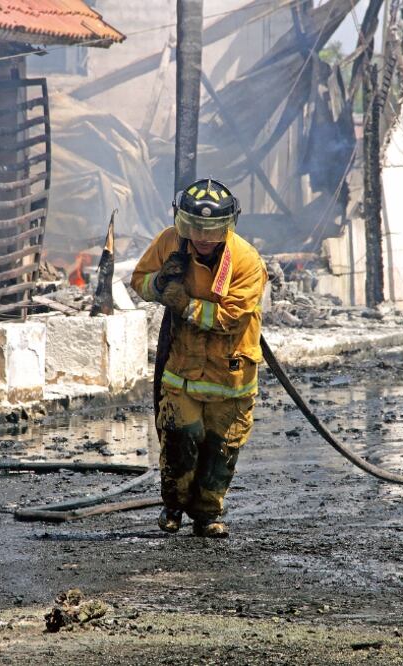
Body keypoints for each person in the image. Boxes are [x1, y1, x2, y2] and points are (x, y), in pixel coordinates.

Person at [131, 178, 268, 538]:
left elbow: (230, 317)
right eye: (195, 228)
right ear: (182, 223)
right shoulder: (168, 243)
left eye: (213, 230)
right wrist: (159, 285)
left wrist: (184, 304)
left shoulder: (246, 261)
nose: (203, 237)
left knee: (221, 449)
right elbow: (139, 280)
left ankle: (207, 516)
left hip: (231, 373)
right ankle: (173, 506)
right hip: (181, 370)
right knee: (179, 438)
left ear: (228, 226)